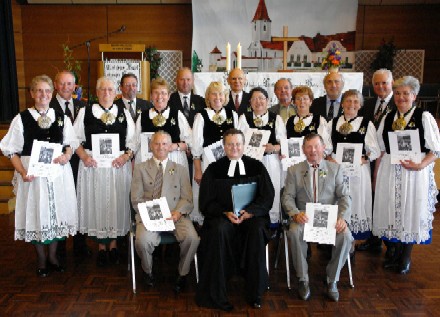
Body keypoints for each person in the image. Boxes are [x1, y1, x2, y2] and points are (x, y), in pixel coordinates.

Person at [0, 75, 78, 277]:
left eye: (47, 91)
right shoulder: (22, 118)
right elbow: (10, 150)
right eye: (39, 91)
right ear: (32, 93)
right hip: (33, 176)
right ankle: (42, 259)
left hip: (57, 175)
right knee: (38, 213)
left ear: (52, 94)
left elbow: (71, 144)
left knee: (55, 215)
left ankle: (53, 257)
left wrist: (66, 156)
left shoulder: (61, 117)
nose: (44, 95)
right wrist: (23, 172)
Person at [195, 129, 275, 310]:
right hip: (223, 217)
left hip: (251, 217)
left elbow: (267, 197)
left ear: (243, 145)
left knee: (256, 230)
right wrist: (225, 212)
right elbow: (206, 202)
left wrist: (251, 212)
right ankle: (218, 294)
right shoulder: (214, 169)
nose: (234, 147)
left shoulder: (257, 166)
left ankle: (255, 292)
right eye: (230, 144)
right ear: (224, 147)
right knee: (219, 230)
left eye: (238, 143)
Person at [373, 76, 440, 274]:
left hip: (414, 172)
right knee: (393, 210)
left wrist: (420, 165)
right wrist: (376, 176)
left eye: (406, 93)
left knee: (410, 209)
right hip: (390, 169)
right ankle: (394, 253)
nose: (401, 97)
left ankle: (406, 257)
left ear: (414, 95)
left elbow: (435, 150)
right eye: (399, 93)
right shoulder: (388, 117)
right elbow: (381, 148)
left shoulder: (423, 116)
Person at [282, 133, 352, 302]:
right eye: (309, 147)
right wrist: (295, 213)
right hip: (304, 217)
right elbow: (287, 197)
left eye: (316, 146)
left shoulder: (335, 169)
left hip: (329, 219)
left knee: (346, 236)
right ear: (303, 149)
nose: (313, 150)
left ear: (323, 148)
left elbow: (345, 197)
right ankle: (303, 278)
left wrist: (342, 218)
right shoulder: (294, 170)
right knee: (294, 232)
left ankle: (332, 279)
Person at [74, 76, 136, 267]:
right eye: (102, 89)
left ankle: (115, 245)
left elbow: (133, 141)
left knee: (117, 203)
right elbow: (74, 139)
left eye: (110, 89)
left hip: (117, 167)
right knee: (98, 203)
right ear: (97, 91)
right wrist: (84, 157)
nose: (106, 93)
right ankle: (101, 248)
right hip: (94, 166)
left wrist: (125, 157)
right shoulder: (85, 112)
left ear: (115, 91)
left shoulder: (123, 113)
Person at [130, 131, 199, 292]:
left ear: (170, 147)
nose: (160, 147)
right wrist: (151, 214)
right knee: (142, 241)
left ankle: (183, 273)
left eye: (164, 144)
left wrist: (178, 213)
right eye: (156, 143)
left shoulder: (180, 170)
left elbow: (187, 198)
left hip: (176, 215)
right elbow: (136, 198)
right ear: (150, 146)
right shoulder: (140, 169)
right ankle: (148, 271)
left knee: (192, 238)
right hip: (150, 216)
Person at [327, 89, 380, 258]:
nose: (351, 104)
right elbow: (325, 147)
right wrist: (329, 157)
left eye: (356, 101)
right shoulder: (332, 123)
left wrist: (362, 160)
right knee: (336, 203)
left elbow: (375, 151)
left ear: (361, 105)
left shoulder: (367, 123)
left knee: (354, 204)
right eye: (348, 101)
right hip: (336, 170)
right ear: (342, 104)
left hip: (357, 172)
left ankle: (350, 245)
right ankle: (336, 241)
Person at [357, 69, 397, 253]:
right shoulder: (369, 104)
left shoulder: (398, 104)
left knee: (388, 200)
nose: (380, 87)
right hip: (368, 160)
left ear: (392, 83)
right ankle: (373, 239)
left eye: (384, 83)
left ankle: (391, 244)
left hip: (390, 159)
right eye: (377, 83)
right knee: (373, 199)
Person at [49, 70, 89, 257]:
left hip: (78, 162)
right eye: (62, 83)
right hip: (57, 163)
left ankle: (80, 245)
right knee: (61, 202)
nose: (66, 87)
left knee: (79, 199)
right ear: (56, 85)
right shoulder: (47, 106)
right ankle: (60, 249)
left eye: (70, 84)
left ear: (75, 87)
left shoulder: (82, 106)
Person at [191, 81, 238, 224]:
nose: (217, 97)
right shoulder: (201, 116)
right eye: (213, 94)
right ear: (208, 97)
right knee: (210, 195)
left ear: (225, 96)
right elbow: (196, 146)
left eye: (220, 94)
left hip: (230, 163)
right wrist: (198, 170)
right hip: (208, 163)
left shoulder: (233, 115)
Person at [238, 87, 286, 223]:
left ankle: (273, 223)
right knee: (252, 190)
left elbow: (283, 143)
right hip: (250, 162)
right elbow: (238, 140)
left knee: (271, 190)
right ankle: (251, 218)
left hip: (270, 160)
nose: (258, 102)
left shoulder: (275, 118)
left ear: (268, 101)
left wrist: (274, 147)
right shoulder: (244, 118)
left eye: (261, 98)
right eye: (254, 99)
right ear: (250, 102)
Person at [134, 78, 191, 171]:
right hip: (148, 162)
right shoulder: (143, 116)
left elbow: (189, 143)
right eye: (156, 93)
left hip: (173, 160)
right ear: (151, 96)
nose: (159, 96)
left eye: (163, 93)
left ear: (168, 96)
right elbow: (135, 143)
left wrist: (175, 146)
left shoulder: (177, 115)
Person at [286, 86, 332, 154]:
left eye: (305, 98)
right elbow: (284, 144)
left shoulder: (319, 120)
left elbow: (327, 146)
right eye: (298, 99)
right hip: (294, 162)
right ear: (294, 102)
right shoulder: (289, 121)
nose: (302, 102)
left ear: (310, 101)